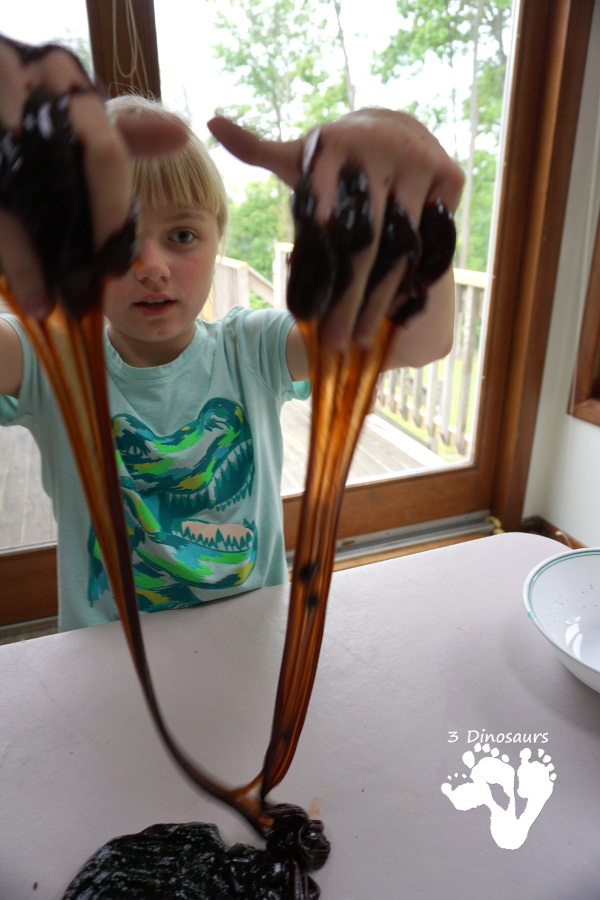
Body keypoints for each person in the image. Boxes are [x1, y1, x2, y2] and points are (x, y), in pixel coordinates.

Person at [0, 38, 464, 631]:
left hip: (251, 638)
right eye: (115, 237)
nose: (151, 266)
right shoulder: (47, 359)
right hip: (107, 661)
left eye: (182, 236)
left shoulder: (254, 350)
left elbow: (420, 342)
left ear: (218, 242)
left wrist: (420, 210)